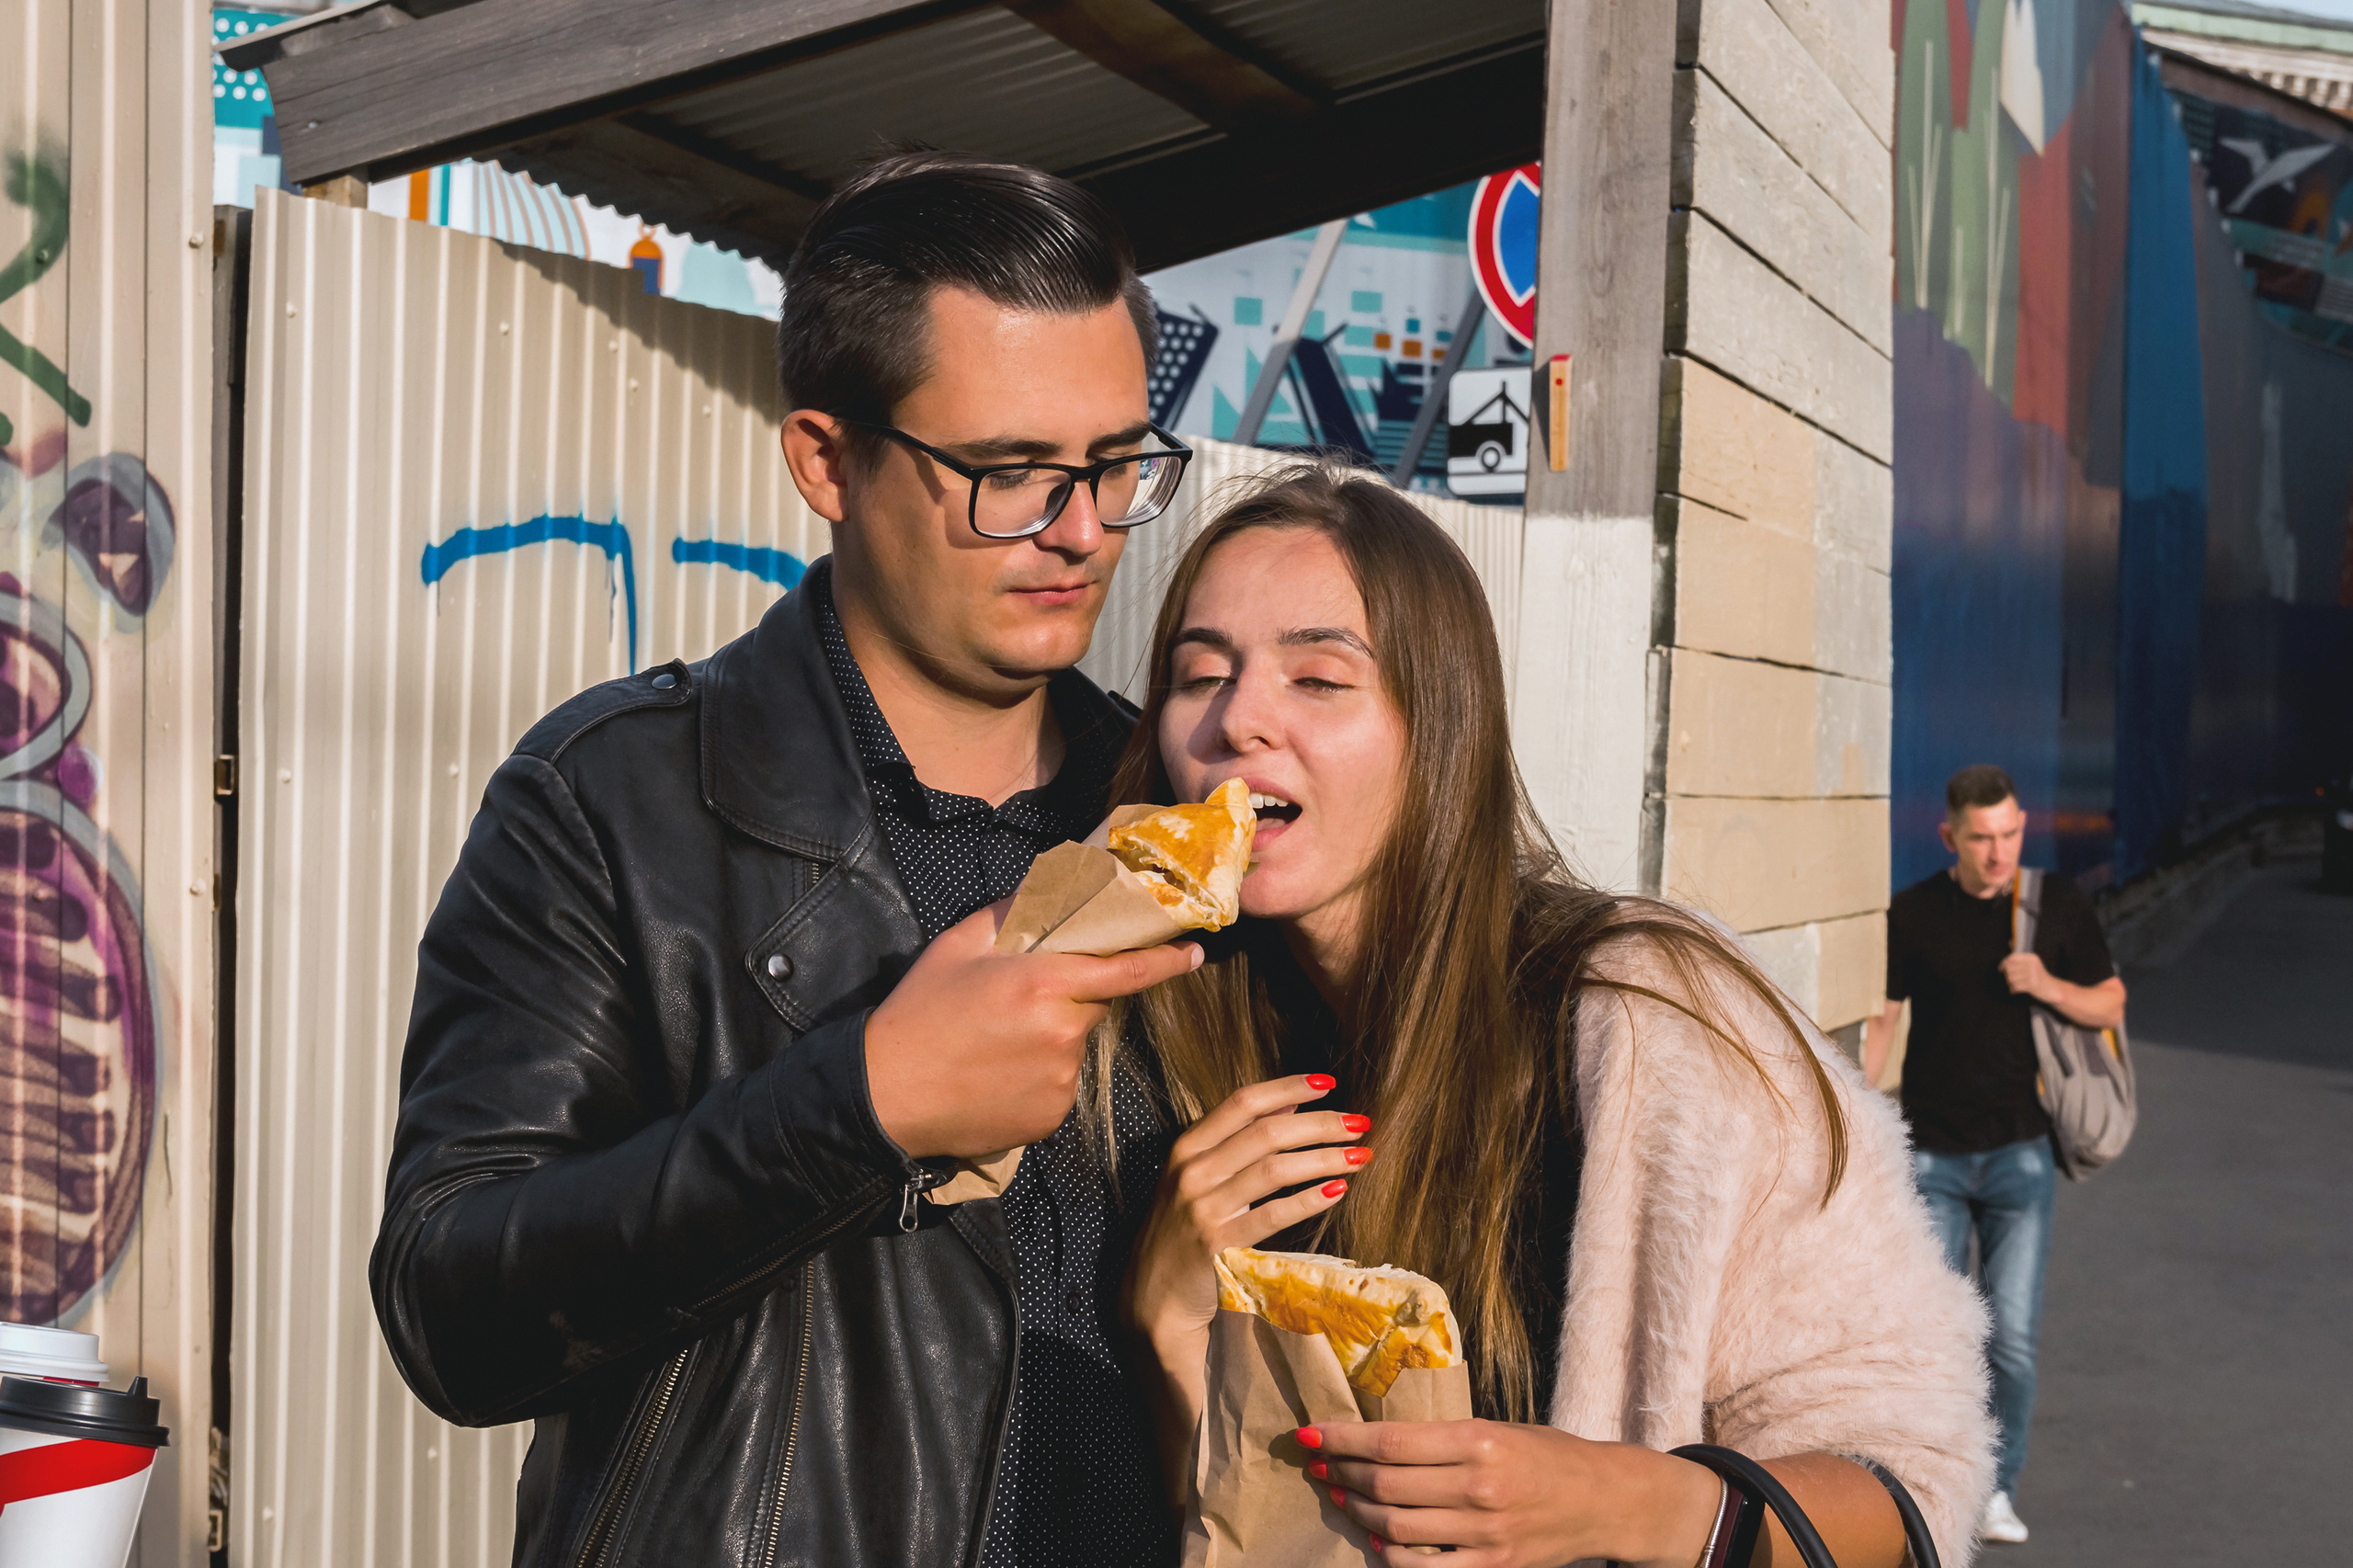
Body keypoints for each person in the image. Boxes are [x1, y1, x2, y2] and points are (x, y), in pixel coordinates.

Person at [370, 151, 1206, 1567]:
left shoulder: (1178, 811)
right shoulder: (614, 800)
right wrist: (858, 1105)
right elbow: (453, 1309)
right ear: (826, 459)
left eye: (1117, 463)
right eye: (1010, 473)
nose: (1080, 530)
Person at [1116, 469, 1995, 1567]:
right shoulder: (1170, 1032)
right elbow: (1235, 1533)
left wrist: (1617, 1499)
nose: (1237, 718)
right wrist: (1167, 1327)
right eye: (1200, 674)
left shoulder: (1655, 1022)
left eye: (1319, 676)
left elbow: (1909, 1480)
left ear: (1440, 726)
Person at [1864, 766, 2126, 1545]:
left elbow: (2110, 1001)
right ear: (1951, 837)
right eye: (1982, 838)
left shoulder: (2054, 907)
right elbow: (1882, 1023)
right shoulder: (1911, 914)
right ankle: (1931, 1487)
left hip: (2020, 1156)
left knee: (2010, 1335)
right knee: (1935, 1337)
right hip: (1933, 1159)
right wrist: (1852, 1114)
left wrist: (2047, 982)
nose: (1998, 851)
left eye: (2010, 834)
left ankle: (1996, 1490)